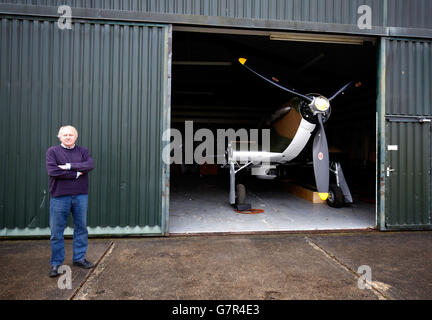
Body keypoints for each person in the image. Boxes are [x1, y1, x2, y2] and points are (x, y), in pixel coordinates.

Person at [46, 125, 94, 277]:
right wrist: (76, 174)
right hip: (59, 197)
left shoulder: (83, 151)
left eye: (71, 135)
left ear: (76, 137)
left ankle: (79, 258)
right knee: (56, 232)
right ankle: (56, 264)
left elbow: (89, 165)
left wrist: (67, 166)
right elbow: (53, 171)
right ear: (59, 137)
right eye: (65, 135)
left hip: (80, 196)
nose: (68, 137)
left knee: (81, 228)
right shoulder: (52, 152)